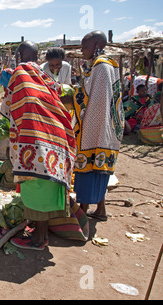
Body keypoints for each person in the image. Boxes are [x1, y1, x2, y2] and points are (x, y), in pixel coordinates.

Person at [8, 41, 77, 251]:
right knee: (47, 184)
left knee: (36, 185)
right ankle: (42, 232)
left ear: (19, 55)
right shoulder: (44, 74)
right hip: (55, 134)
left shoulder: (20, 72)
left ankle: (38, 239)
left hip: (35, 137)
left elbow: (12, 103)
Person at [72, 31, 125, 221]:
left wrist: (74, 97)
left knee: (87, 167)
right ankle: (100, 209)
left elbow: (94, 100)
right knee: (100, 169)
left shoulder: (101, 66)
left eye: (84, 46)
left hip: (95, 127)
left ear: (96, 45)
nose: (81, 50)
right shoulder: (107, 65)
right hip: (104, 127)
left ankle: (83, 211)